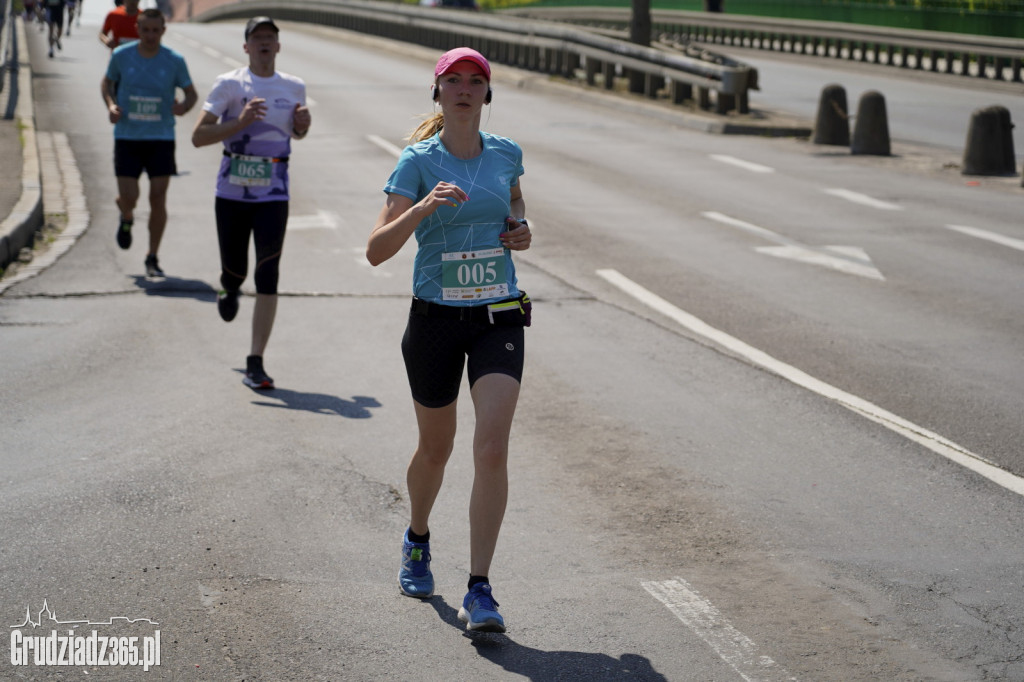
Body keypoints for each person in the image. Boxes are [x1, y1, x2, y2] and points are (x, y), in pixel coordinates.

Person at [366, 47, 533, 634]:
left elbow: (512, 201)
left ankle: (480, 588)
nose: (464, 89)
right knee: (436, 449)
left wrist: (520, 229)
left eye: (475, 81)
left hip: (497, 315)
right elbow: (376, 249)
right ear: (436, 93)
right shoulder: (417, 161)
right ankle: (417, 537)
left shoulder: (507, 154)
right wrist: (424, 208)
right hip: (434, 318)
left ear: (487, 94)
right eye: (453, 81)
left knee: (491, 448)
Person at [191, 17, 311, 390]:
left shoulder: (293, 87)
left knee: (268, 272)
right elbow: (198, 136)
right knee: (236, 269)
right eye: (257, 38)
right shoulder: (229, 84)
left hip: (274, 191)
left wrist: (303, 124)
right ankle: (228, 286)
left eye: (270, 38)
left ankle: (255, 360)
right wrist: (240, 122)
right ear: (245, 46)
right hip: (231, 191)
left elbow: (297, 132)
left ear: (278, 46)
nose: (263, 44)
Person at [101, 8, 197, 277]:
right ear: (137, 29)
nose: (151, 36)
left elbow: (191, 93)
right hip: (128, 136)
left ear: (163, 31)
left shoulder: (174, 60)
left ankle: (152, 256)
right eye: (146, 30)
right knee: (130, 196)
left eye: (156, 30)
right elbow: (107, 84)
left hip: (161, 137)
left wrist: (184, 107)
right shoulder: (121, 56)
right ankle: (127, 216)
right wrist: (111, 105)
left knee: (158, 197)